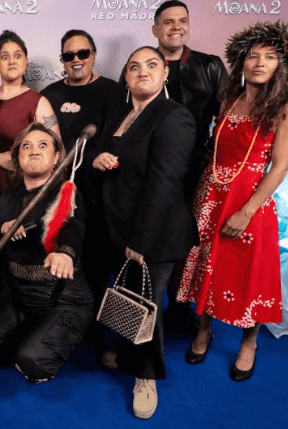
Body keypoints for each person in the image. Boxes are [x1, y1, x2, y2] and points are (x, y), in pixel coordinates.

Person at [178, 20, 288, 382]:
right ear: (241, 62)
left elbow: (279, 168)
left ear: (282, 64)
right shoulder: (228, 98)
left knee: (249, 273)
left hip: (251, 198)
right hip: (212, 192)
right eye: (253, 56)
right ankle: (204, 328)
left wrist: (247, 210)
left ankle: (249, 342)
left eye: (270, 56)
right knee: (208, 262)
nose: (260, 63)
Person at [88, 46, 196, 419]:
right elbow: (105, 155)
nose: (142, 72)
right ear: (126, 77)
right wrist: (97, 159)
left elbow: (165, 184)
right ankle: (129, 348)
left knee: (147, 304)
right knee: (129, 295)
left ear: (165, 73)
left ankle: (146, 376)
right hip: (118, 226)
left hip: (155, 234)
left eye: (152, 65)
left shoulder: (173, 117)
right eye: (134, 67)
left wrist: (142, 241)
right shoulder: (122, 113)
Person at [0, 123, 92, 385]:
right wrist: (2, 227)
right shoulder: (8, 198)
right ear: (17, 159)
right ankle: (27, 331)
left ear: (57, 158)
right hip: (17, 293)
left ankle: (41, 337)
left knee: (32, 361)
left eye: (43, 145)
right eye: (26, 146)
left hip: (60, 296)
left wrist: (65, 253)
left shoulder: (66, 194)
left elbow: (72, 225)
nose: (34, 151)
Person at [150, 0, 227, 334]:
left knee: (190, 242)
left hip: (196, 171)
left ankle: (182, 308)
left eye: (182, 20)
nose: (176, 27)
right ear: (156, 29)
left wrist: (209, 156)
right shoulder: (143, 64)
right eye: (168, 22)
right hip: (153, 172)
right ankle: (150, 308)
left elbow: (227, 118)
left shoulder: (210, 65)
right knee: (155, 237)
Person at [0, 30, 61, 208]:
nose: (12, 61)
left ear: (25, 62)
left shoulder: (39, 102)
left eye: (18, 56)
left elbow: (56, 151)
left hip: (22, 192)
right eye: (4, 57)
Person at [40, 29, 123, 153]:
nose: (76, 60)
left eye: (83, 54)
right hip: (57, 170)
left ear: (93, 56)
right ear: (63, 61)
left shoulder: (115, 92)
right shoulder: (47, 95)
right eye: (68, 56)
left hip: (99, 169)